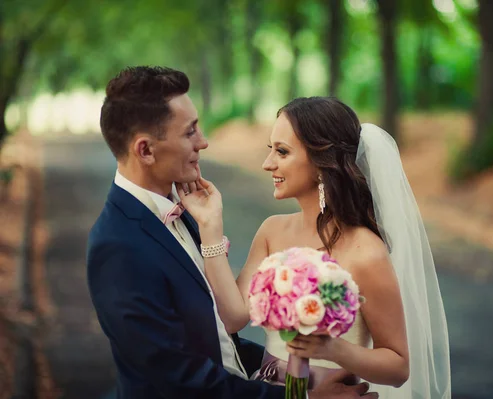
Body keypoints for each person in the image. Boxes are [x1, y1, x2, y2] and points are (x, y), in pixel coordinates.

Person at [86, 66, 377, 399]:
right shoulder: (117, 246)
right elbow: (178, 380)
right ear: (146, 150)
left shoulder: (186, 210)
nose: (204, 142)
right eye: (189, 132)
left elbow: (218, 341)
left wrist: (291, 373)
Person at [182, 97, 451, 398]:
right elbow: (233, 317)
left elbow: (398, 367)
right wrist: (209, 228)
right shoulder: (272, 230)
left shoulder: (366, 252)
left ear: (323, 162)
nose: (267, 163)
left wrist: (331, 347)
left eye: (282, 152)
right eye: (269, 149)